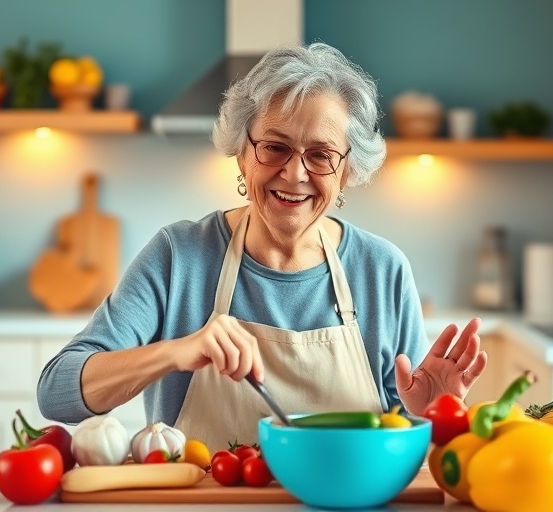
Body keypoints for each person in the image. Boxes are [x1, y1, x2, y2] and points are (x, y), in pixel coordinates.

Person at [37, 43, 488, 452]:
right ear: (241, 152)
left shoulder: (381, 269)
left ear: (348, 170)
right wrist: (175, 351)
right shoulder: (179, 256)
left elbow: (401, 444)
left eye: (321, 154)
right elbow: (56, 393)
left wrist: (429, 416)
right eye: (275, 147)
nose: (294, 174)